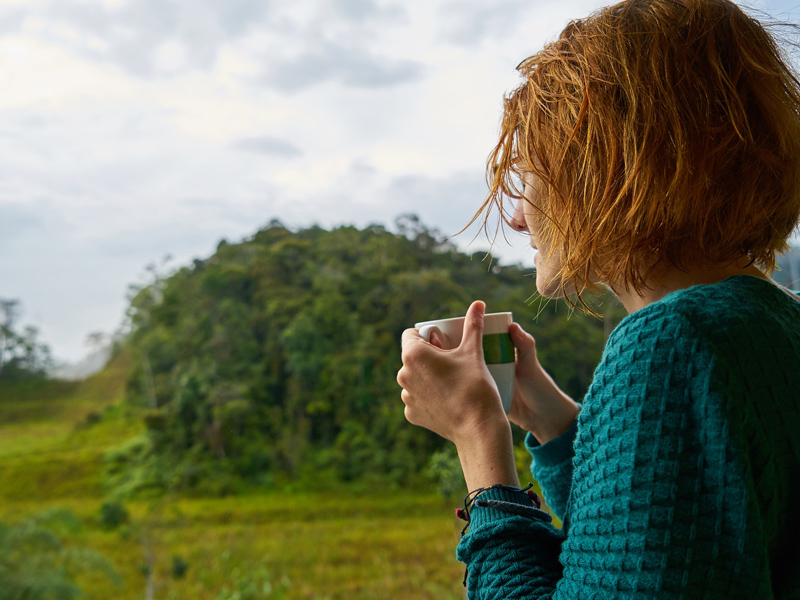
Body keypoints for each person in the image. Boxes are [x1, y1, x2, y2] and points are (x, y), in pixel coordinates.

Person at [396, 0, 800, 597]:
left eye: (528, 181)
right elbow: (647, 543)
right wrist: (548, 419)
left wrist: (479, 439)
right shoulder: (771, 322)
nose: (515, 219)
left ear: (606, 169)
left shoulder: (668, 344)